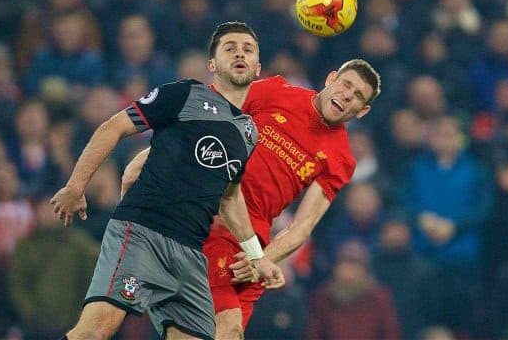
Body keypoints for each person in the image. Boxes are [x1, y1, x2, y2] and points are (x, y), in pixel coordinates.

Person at [123, 41, 381, 337]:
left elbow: (304, 224)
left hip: (252, 249)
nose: (348, 96)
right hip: (215, 218)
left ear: (363, 111)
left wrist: (264, 259)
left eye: (358, 96)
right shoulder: (277, 91)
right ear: (331, 78)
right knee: (226, 329)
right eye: (346, 84)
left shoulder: (342, 159)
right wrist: (148, 157)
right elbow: (206, 117)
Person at [51, 22, 284, 340]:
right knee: (95, 331)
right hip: (143, 233)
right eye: (230, 48)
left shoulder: (248, 133)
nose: (239, 53)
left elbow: (229, 198)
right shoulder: (184, 93)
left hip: (190, 254)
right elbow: (113, 127)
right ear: (212, 65)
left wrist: (257, 256)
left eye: (248, 49)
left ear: (258, 68)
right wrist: (75, 186)